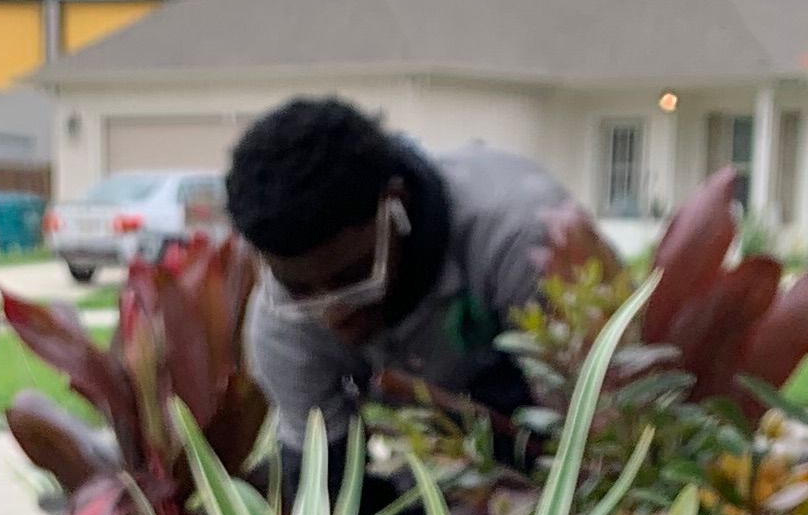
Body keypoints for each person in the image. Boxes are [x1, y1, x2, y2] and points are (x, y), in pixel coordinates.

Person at [227, 95, 607, 471]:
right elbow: (326, 484)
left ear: (396, 205)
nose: (332, 315)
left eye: (353, 279)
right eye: (299, 291)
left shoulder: (528, 240)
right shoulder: (281, 329)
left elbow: (599, 439)